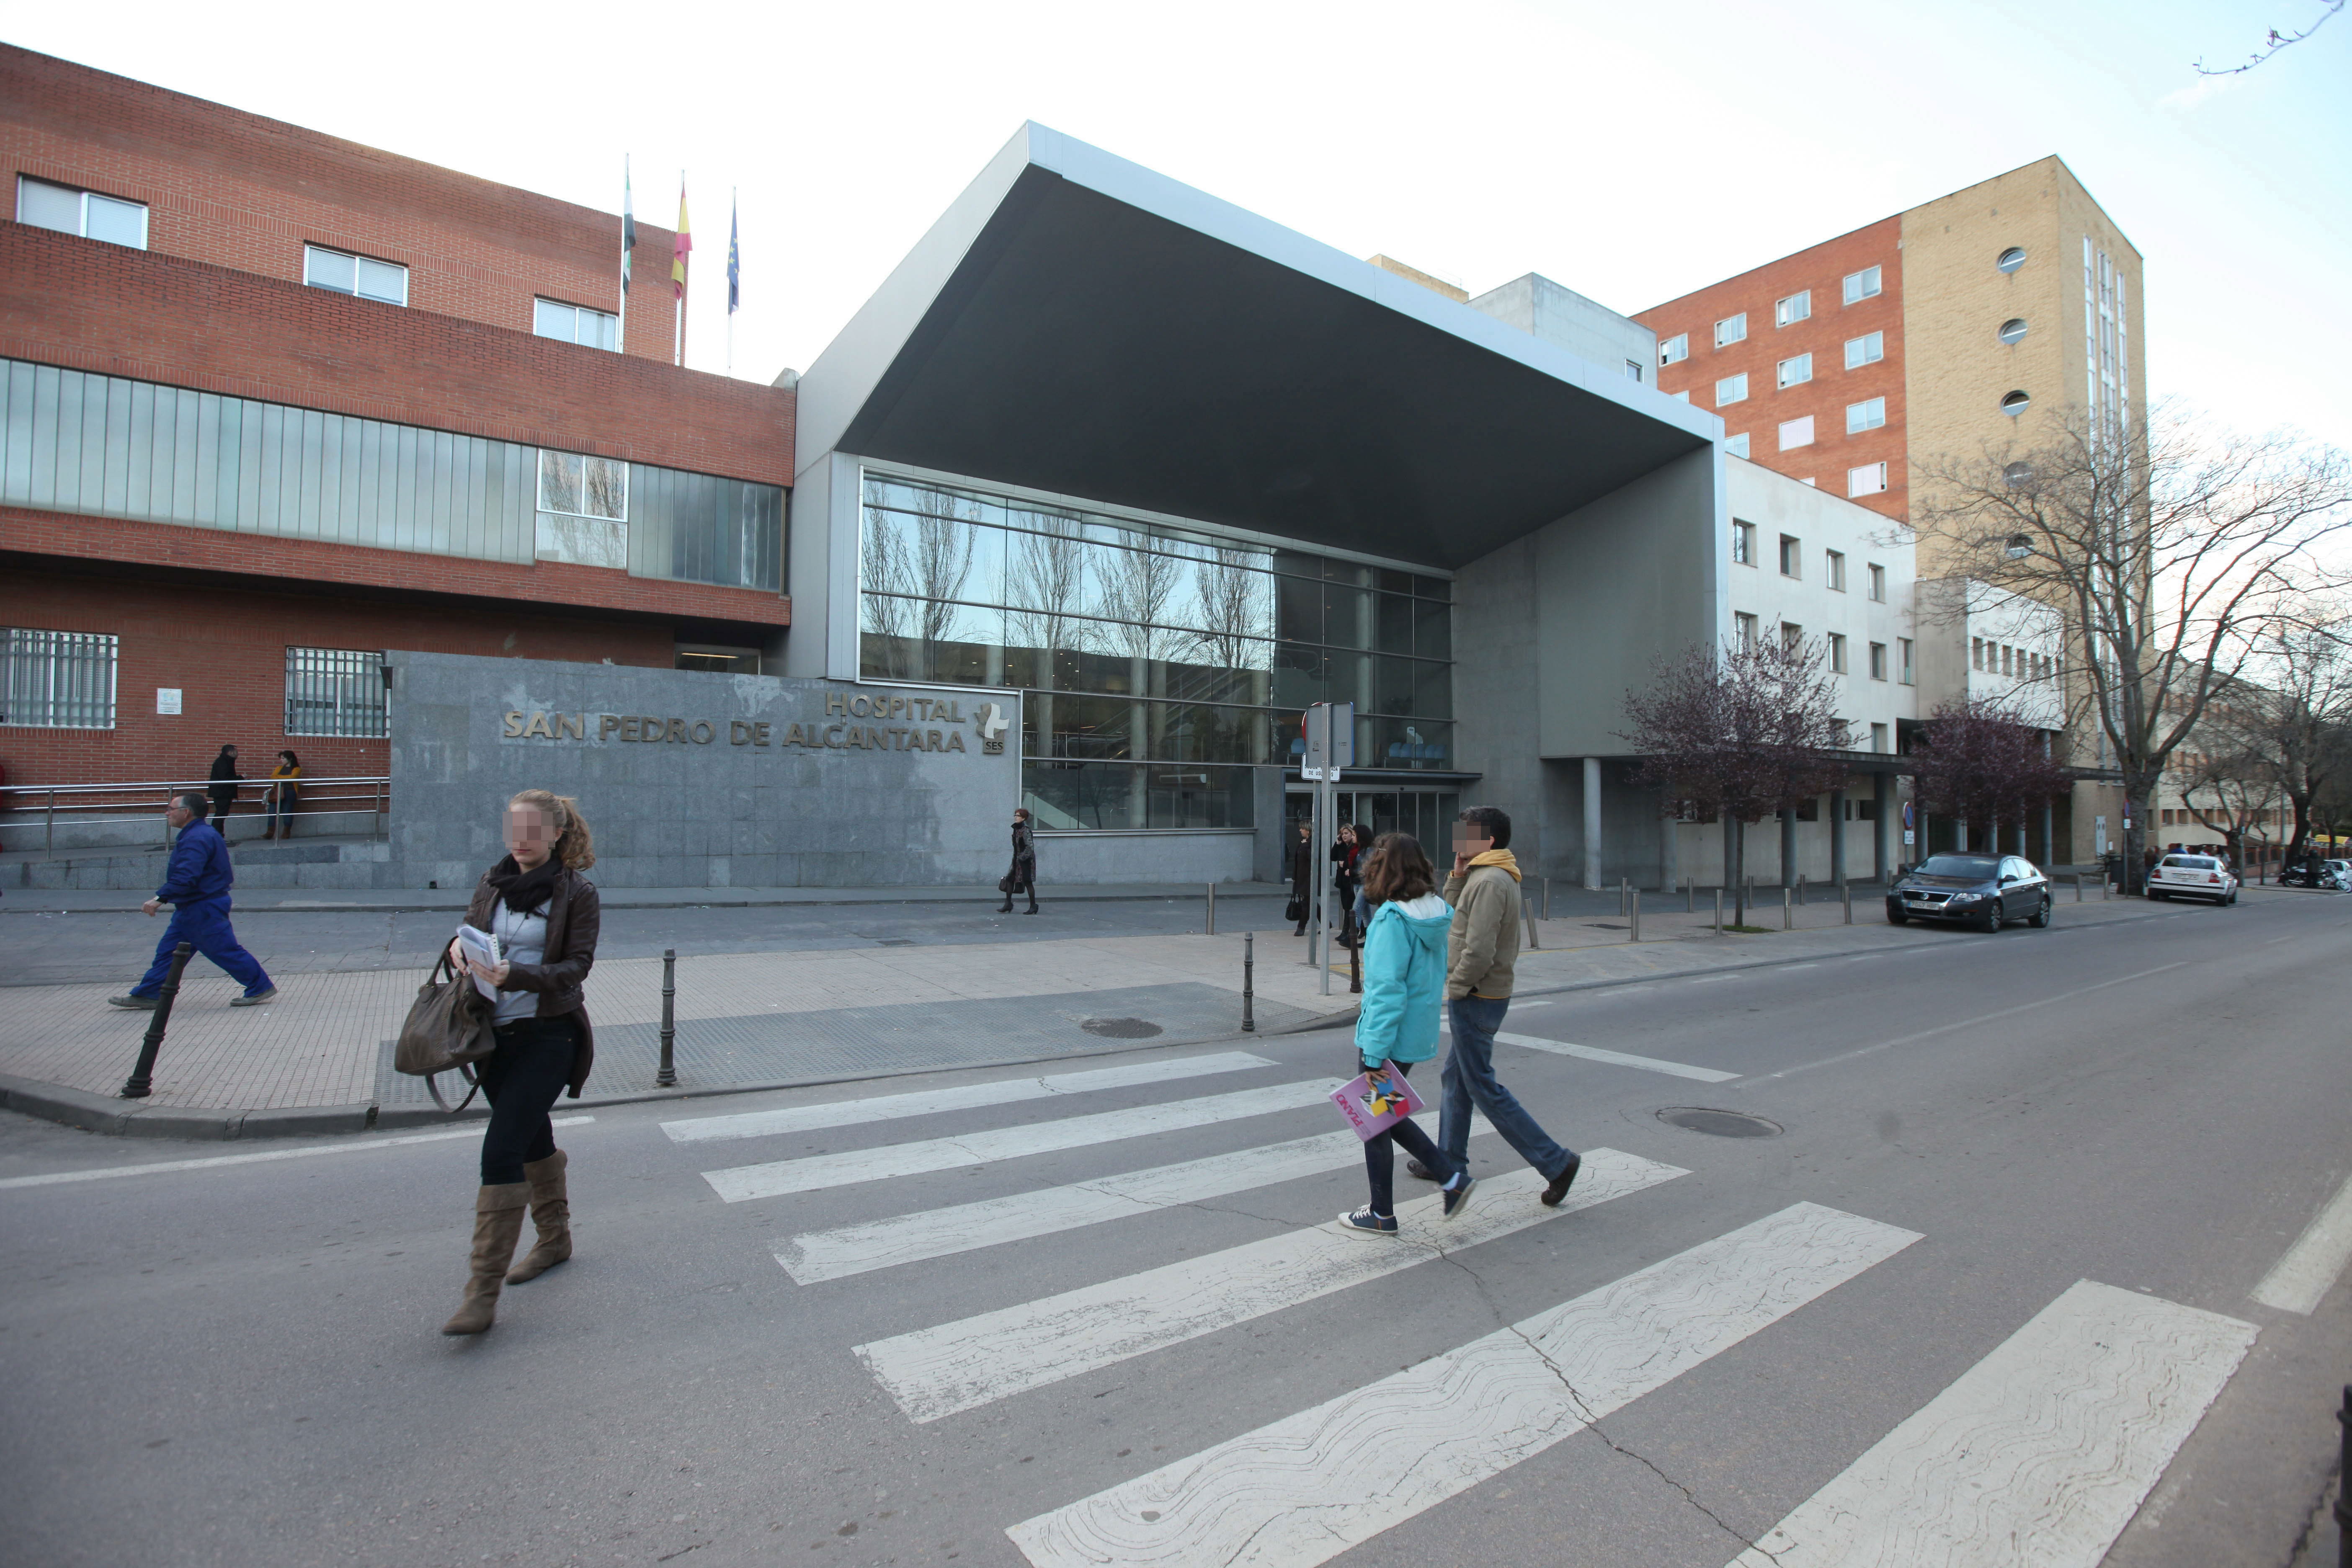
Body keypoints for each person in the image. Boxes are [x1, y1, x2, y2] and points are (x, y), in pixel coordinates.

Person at [439, 789, 601, 1336]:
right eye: (515, 829)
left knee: (502, 1149)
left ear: (557, 834)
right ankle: (555, 1240)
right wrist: (457, 951)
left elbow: (577, 967)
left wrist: (520, 976)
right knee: (532, 1136)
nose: (522, 840)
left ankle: (481, 1293)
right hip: (493, 1037)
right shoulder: (493, 881)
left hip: (550, 1036)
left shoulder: (577, 892)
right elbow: (467, 929)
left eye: (533, 830)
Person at [1413, 805, 1582, 1206]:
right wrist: (1455, 875)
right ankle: (1449, 1161)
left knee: (1482, 1087)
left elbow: (1480, 948)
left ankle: (1556, 1162)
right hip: (1478, 993)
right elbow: (1454, 918)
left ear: (1487, 841)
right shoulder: (1479, 875)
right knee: (1457, 1080)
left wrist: (1456, 987)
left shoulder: (1490, 881)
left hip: (1477, 995)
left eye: (1465, 834)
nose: (1458, 841)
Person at [1339, 833, 1473, 1235]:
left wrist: (1375, 1051)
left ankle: (1395, 1206)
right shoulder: (1435, 911)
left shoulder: (1393, 920)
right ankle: (1441, 1182)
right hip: (1414, 1034)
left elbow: (1386, 991)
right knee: (1382, 1114)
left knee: (1378, 1118)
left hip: (1388, 1037)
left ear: (1385, 868)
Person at [108, 792, 276, 1008]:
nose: (167, 813)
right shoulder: (201, 834)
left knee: (223, 950)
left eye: (170, 809)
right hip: (196, 905)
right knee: (170, 952)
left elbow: (187, 875)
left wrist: (160, 899)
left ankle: (260, 986)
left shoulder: (197, 837)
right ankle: (150, 993)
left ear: (186, 813)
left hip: (203, 906)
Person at [1331, 824, 1366, 949]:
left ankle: (1349, 935)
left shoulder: (1357, 848)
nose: (1344, 836)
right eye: (1343, 834)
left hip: (1357, 881)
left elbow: (1359, 865)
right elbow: (1333, 857)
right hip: (1346, 880)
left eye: (1347, 834)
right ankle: (1364, 932)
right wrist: (1337, 844)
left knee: (1354, 909)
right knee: (1361, 910)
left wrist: (1346, 866)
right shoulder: (1343, 846)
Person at [998, 806, 1039, 914]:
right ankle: (1008, 904)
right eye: (1015, 815)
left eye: (1018, 816)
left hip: (1026, 861)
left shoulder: (1025, 831)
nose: (1016, 817)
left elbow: (1030, 847)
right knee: (1010, 879)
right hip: (1017, 860)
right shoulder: (1016, 829)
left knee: (1028, 882)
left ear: (1024, 818)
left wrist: (1022, 858)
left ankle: (1033, 906)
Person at [264, 750, 302, 840]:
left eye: (283, 758)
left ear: (290, 759)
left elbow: (292, 778)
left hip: (290, 792)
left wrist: (279, 778)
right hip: (277, 792)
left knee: (287, 811)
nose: (281, 760)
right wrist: (284, 778)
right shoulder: (279, 768)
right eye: (281, 758)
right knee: (272, 811)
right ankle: (270, 832)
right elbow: (273, 777)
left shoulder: (297, 769)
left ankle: (286, 832)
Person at [1289, 819, 1315, 936]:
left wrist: (1304, 846)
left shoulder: (1311, 843)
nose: (1300, 830)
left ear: (1308, 831)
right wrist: (1294, 876)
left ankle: (1301, 926)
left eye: (1302, 829)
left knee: (1306, 903)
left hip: (1309, 878)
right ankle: (1326, 922)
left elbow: (1312, 858)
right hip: (1300, 877)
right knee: (1310, 901)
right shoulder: (1302, 842)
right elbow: (1297, 861)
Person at [206, 744, 242, 827]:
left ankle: (219, 835)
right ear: (230, 752)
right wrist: (241, 777)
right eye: (236, 752)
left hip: (222, 792)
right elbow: (226, 778)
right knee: (221, 815)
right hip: (223, 793)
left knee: (221, 815)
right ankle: (217, 835)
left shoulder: (224, 761)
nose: (238, 754)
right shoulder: (224, 762)